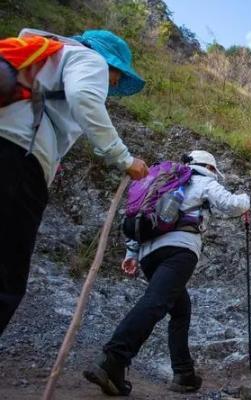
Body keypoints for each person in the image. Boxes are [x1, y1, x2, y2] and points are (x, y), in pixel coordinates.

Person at [0, 29, 149, 336]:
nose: (115, 83)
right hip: (15, 161)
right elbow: (84, 98)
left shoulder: (45, 58)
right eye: (117, 75)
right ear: (110, 64)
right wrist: (124, 158)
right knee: (5, 279)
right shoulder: (88, 59)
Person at [84, 150, 250, 396]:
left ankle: (184, 374)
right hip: (179, 251)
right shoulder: (204, 179)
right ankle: (113, 359)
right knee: (156, 302)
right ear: (210, 167)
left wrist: (131, 255)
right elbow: (231, 205)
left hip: (149, 255)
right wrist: (247, 199)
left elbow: (143, 216)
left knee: (180, 308)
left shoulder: (162, 183)